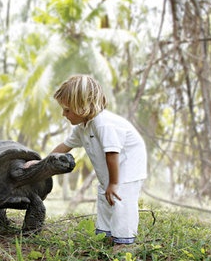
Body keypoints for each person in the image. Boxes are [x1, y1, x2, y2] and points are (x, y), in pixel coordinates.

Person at [28, 74, 147, 250]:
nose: (64, 114)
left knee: (121, 200)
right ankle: (107, 236)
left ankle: (124, 243)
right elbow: (64, 146)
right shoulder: (83, 128)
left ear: (82, 107)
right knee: (104, 197)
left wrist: (114, 183)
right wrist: (40, 164)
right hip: (111, 172)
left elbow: (112, 152)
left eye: (67, 110)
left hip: (128, 168)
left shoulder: (103, 124)